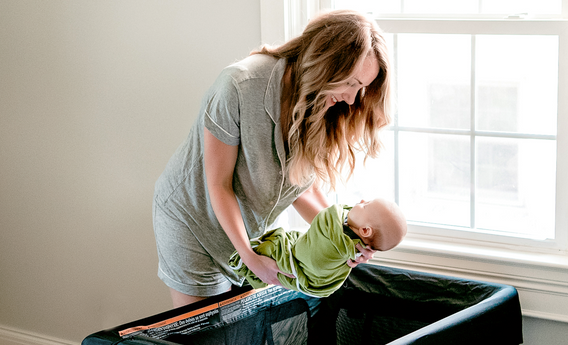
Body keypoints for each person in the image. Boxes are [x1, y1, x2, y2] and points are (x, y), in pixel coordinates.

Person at [153, 10, 393, 308]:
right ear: (326, 63)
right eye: (351, 83)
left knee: (242, 338)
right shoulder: (238, 85)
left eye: (363, 88)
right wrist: (249, 256)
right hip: (193, 222)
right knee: (208, 341)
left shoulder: (320, 103)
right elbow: (218, 184)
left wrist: (344, 238)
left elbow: (299, 186)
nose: (353, 98)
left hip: (245, 228)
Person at [229, 199, 407, 297]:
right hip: (232, 236)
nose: (360, 201)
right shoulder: (346, 239)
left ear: (365, 230)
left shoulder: (342, 245)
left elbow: (325, 216)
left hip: (299, 267)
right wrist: (249, 258)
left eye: (365, 205)